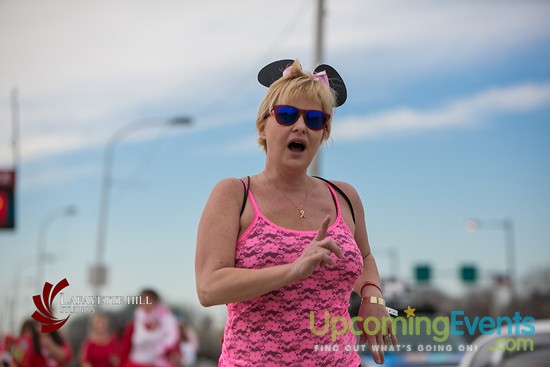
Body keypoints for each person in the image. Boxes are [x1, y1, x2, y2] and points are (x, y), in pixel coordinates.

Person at [195, 59, 398, 366]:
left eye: (315, 120)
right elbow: (209, 287)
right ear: (263, 125)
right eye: (287, 115)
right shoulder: (234, 194)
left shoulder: (345, 196)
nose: (300, 126)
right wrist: (293, 270)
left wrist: (371, 296)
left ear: (323, 133)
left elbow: (365, 258)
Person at [120, 289, 180, 367]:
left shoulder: (165, 324)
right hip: (135, 364)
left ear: (156, 303)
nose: (146, 304)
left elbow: (171, 346)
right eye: (143, 300)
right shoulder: (134, 324)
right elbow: (125, 347)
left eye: (149, 300)